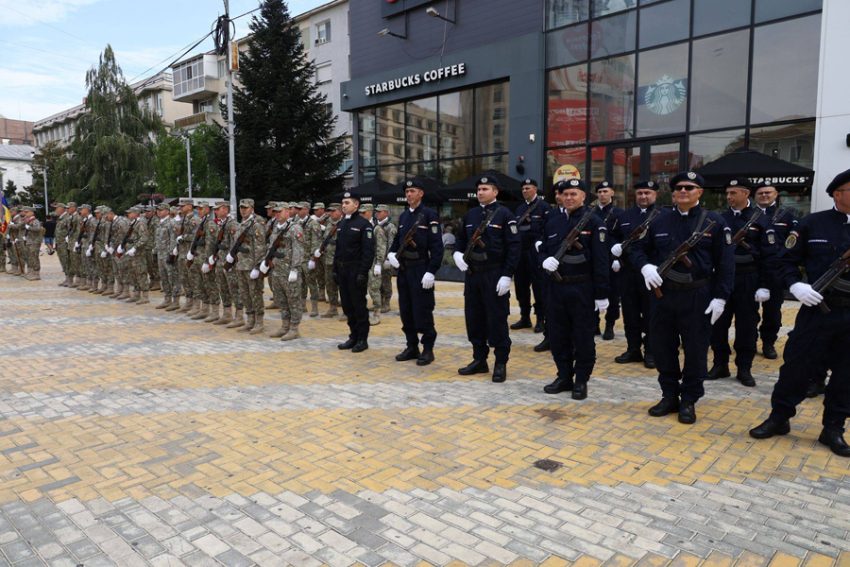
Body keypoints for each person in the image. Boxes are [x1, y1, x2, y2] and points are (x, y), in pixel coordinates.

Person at [750, 168, 850, 457]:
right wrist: (796, 286)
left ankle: (833, 428)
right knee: (796, 368)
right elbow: (786, 261)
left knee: (846, 374)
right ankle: (779, 418)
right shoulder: (812, 224)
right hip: (817, 310)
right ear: (837, 193)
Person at [630, 171, 734, 424]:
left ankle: (689, 399)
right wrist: (645, 267)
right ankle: (669, 395)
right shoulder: (659, 221)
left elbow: (726, 264)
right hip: (663, 295)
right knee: (663, 348)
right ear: (673, 193)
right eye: (679, 188)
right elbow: (637, 248)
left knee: (696, 350)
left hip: (698, 295)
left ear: (700, 192)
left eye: (689, 187)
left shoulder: (715, 222)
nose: (683, 191)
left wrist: (720, 297)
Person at [539, 179, 610, 400]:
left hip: (582, 288)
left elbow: (601, 261)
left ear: (583, 197)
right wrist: (544, 260)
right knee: (558, 335)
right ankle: (564, 376)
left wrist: (601, 294)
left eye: (574, 194)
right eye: (565, 194)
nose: (569, 198)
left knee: (583, 337)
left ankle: (581, 380)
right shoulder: (553, 221)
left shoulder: (594, 222)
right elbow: (541, 247)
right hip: (556, 287)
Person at [453, 173, 520, 383]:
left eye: (485, 189)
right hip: (473, 275)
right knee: (474, 319)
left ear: (495, 192)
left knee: (497, 319)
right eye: (479, 189)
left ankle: (500, 362)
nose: (481, 192)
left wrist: (507, 275)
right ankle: (479, 359)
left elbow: (514, 247)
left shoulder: (505, 215)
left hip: (494, 274)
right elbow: (460, 240)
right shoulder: (470, 215)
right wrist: (456, 254)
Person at [707, 178, 767, 388]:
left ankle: (744, 368)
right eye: (727, 193)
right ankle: (720, 363)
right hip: (723, 278)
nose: (729, 197)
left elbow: (769, 255)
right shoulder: (720, 219)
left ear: (745, 193)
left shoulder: (760, 219)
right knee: (718, 323)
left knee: (747, 325)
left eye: (733, 193)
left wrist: (764, 284)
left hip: (748, 278)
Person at [387, 176, 444, 365]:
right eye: (406, 192)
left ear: (421, 193)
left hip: (421, 268)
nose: (409, 194)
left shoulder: (429, 215)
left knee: (423, 310)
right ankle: (412, 346)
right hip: (404, 269)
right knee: (406, 310)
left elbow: (437, 247)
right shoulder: (403, 216)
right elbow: (397, 241)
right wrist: (391, 255)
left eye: (412, 191)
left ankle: (428, 349)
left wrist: (431, 271)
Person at [610, 180, 658, 368]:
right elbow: (613, 235)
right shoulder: (625, 215)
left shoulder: (664, 215)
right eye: (640, 193)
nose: (643, 196)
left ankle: (651, 351)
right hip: (628, 272)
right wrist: (613, 248)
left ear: (655, 194)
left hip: (651, 273)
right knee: (630, 313)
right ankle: (633, 349)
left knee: (651, 314)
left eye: (647, 193)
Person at [753, 181, 798, 359]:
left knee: (773, 313)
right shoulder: (748, 215)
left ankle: (768, 342)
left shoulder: (787, 216)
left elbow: (792, 244)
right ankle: (748, 342)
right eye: (761, 193)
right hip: (751, 271)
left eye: (768, 192)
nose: (764, 195)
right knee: (748, 312)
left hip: (775, 273)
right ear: (754, 196)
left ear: (776, 194)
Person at [334, 192, 375, 352]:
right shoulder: (342, 223)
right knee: (347, 306)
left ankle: (362, 339)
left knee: (359, 306)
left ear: (356, 205)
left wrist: (363, 273)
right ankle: (353, 335)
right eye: (342, 202)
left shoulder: (364, 225)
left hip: (356, 270)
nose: (343, 205)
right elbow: (338, 249)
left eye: (347, 202)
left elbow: (368, 252)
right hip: (343, 270)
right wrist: (335, 270)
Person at [511, 178, 551, 336]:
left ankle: (540, 319)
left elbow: (547, 230)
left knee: (539, 286)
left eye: (528, 188)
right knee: (521, 285)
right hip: (521, 252)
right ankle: (524, 316)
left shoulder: (544, 207)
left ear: (535, 189)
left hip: (536, 253)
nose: (525, 191)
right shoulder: (519, 208)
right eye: (523, 189)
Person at [262, 202, 305, 340]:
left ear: (287, 212)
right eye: (275, 212)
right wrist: (266, 262)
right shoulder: (276, 227)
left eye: (280, 211)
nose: (277, 214)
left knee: (293, 300)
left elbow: (298, 250)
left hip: (289, 272)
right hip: (276, 270)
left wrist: (295, 269)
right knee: (281, 300)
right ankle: (285, 326)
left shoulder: (294, 228)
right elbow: (271, 247)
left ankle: (294, 329)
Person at [229, 199, 268, 334]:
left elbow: (260, 248)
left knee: (255, 294)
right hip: (241, 265)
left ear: (252, 208)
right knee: (245, 295)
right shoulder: (242, 224)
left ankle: (259, 322)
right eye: (241, 208)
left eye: (245, 208)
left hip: (252, 266)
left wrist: (257, 267)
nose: (243, 210)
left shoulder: (257, 224)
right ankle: (250, 320)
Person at [593, 180, 624, 340]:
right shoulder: (591, 213)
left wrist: (619, 258)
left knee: (613, 294)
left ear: (612, 193)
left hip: (612, 261)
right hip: (595, 260)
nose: (602, 194)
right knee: (593, 291)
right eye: (600, 192)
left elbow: (624, 238)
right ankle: (595, 324)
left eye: (606, 191)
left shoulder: (619, 213)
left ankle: (610, 325)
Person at [360, 203, 387, 326]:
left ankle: (377, 313)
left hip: (373, 263)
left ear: (370, 213)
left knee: (374, 289)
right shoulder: (361, 226)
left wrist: (379, 263)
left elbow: (381, 247)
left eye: (363, 213)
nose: (361, 215)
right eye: (360, 213)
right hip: (363, 263)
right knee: (361, 288)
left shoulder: (377, 229)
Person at [316, 203, 343, 318]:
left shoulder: (345, 223)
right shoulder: (328, 223)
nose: (331, 213)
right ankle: (333, 308)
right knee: (330, 284)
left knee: (343, 285)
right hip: (328, 259)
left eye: (333, 211)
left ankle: (347, 310)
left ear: (340, 211)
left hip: (340, 260)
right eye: (330, 211)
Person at [154, 203, 178, 309]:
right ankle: (167, 299)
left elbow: (173, 239)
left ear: (167, 211)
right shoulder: (159, 223)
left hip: (168, 254)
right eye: (158, 210)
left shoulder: (171, 223)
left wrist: (172, 253)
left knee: (172, 277)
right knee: (163, 277)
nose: (159, 212)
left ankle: (175, 301)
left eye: (161, 210)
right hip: (160, 254)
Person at [376, 204, 397, 313]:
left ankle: (386, 303)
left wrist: (388, 259)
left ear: (386, 213)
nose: (377, 213)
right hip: (377, 259)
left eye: (380, 211)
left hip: (386, 259)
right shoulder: (377, 225)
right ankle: (379, 302)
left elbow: (391, 244)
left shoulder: (390, 227)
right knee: (377, 281)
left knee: (386, 281)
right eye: (377, 211)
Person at [54, 203, 72, 286]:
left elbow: (70, 230)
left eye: (57, 208)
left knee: (66, 260)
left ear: (62, 209)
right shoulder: (60, 218)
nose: (55, 210)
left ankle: (70, 279)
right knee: (63, 260)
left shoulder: (67, 218)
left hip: (64, 243)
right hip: (60, 243)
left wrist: (68, 240)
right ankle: (67, 278)